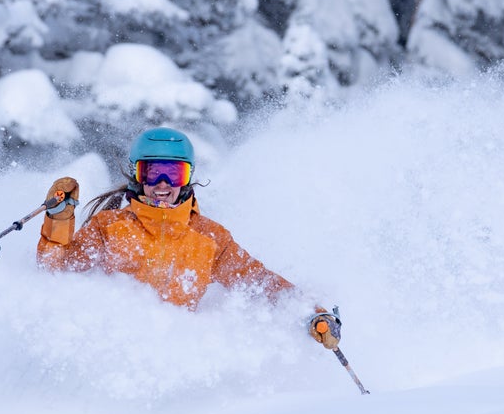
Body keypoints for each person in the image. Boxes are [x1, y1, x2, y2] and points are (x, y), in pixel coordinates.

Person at [37, 126, 341, 349]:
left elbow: (259, 282)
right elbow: (55, 269)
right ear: (137, 176)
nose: (163, 185)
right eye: (153, 173)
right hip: (112, 349)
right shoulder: (109, 227)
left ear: (188, 178)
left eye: (175, 174)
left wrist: (313, 314)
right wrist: (59, 220)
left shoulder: (210, 238)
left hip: (175, 352)